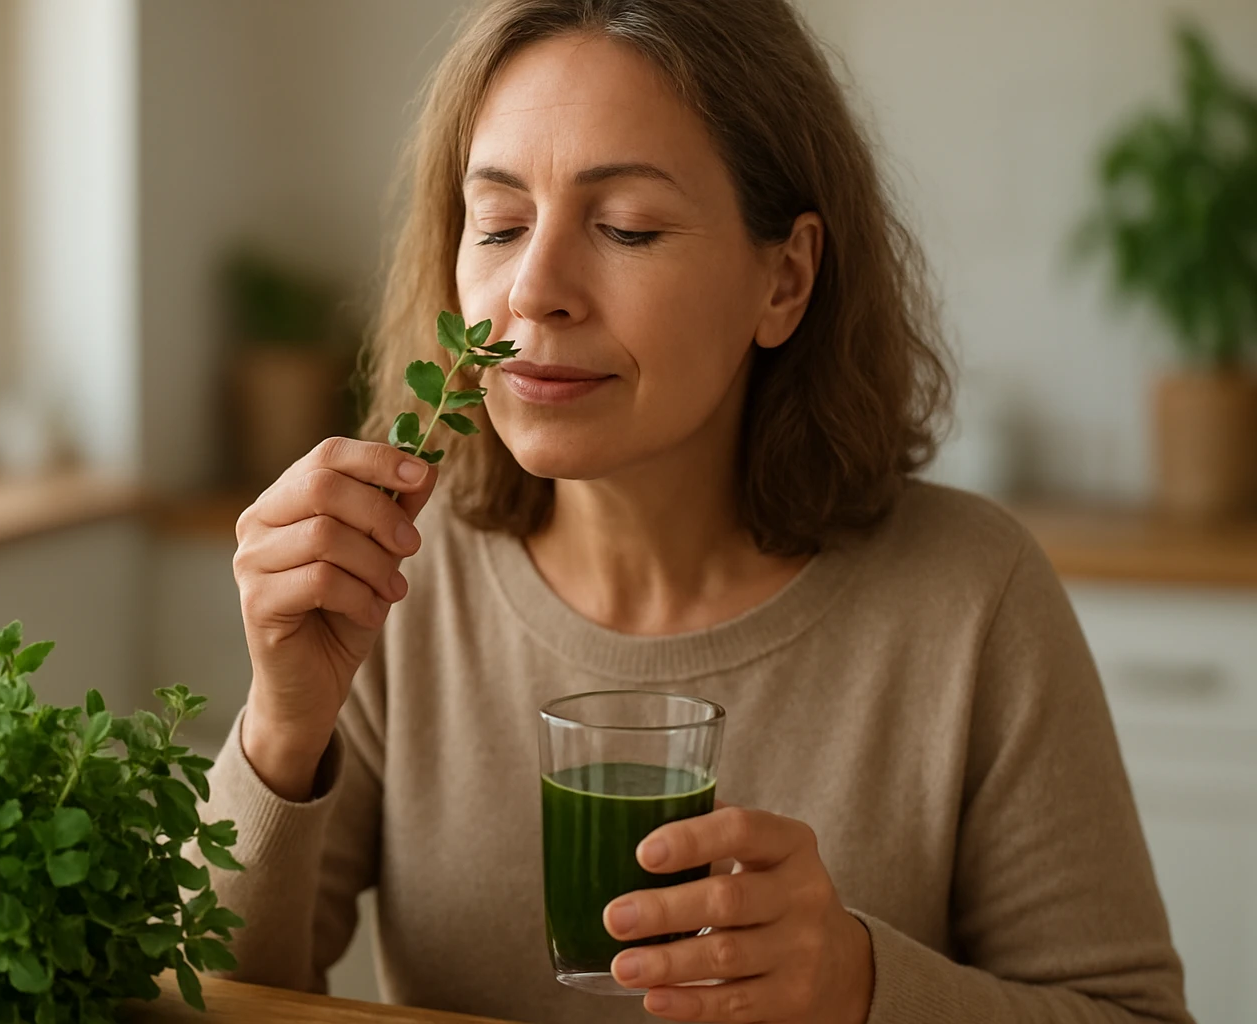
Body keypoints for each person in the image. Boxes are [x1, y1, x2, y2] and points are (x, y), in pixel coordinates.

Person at [190, 2, 1193, 1022]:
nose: (533, 290)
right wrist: (283, 722)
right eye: (497, 224)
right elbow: (212, 996)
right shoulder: (402, 579)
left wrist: (861, 984)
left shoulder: (974, 598)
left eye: (626, 225)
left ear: (785, 280)